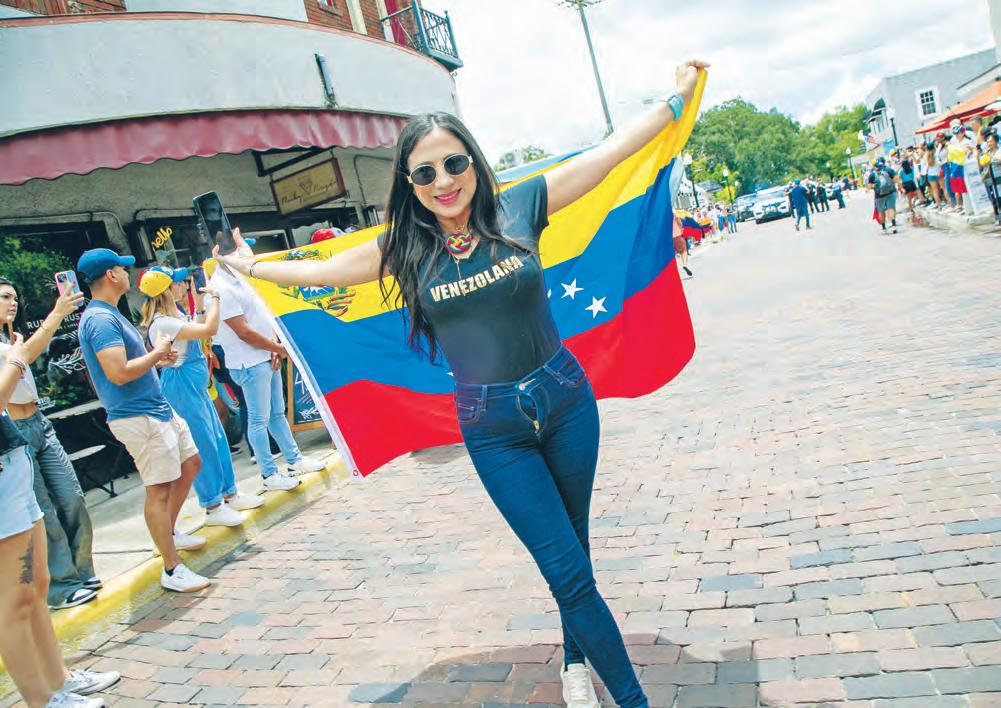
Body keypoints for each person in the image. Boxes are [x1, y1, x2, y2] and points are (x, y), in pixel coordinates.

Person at [215, 56, 710, 708]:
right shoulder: (403, 248)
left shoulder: (520, 206)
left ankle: (574, 660)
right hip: (495, 429)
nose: (443, 181)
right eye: (424, 172)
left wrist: (675, 101)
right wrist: (251, 267)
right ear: (410, 183)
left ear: (473, 161)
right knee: (565, 569)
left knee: (574, 555)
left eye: (453, 164)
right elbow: (319, 273)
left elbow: (610, 153)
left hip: (566, 402)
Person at [75, 249, 211, 594]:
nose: (127, 273)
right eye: (122, 268)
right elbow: (117, 373)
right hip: (138, 414)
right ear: (110, 275)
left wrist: (154, 360)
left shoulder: (109, 314)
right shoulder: (100, 320)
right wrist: (157, 353)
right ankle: (171, 567)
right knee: (159, 489)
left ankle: (169, 533)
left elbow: (125, 368)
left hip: (154, 407)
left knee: (191, 463)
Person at [1, 331, 122, 708]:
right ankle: (41, 699)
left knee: (37, 586)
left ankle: (59, 679)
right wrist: (16, 361)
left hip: (15, 468)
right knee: (14, 600)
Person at [0, 280, 101, 611]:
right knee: (45, 513)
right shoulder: (13, 346)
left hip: (40, 423)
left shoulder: (11, 338)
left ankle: (82, 571)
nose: (12, 302)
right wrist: (57, 314)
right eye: (4, 297)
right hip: (15, 432)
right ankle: (61, 585)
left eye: (15, 297)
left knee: (73, 497)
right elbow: (27, 356)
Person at [137, 266, 264, 527]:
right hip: (181, 386)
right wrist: (214, 297)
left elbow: (201, 325)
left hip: (193, 385)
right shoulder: (163, 322)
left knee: (217, 438)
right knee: (202, 444)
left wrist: (201, 303)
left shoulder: (174, 316)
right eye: (177, 283)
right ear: (166, 290)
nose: (184, 286)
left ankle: (229, 493)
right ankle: (212, 504)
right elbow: (209, 329)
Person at [211, 257, 326, 492]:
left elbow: (262, 315)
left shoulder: (241, 279)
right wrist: (277, 348)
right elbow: (243, 331)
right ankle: (269, 473)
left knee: (276, 413)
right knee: (258, 420)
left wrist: (274, 346)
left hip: (265, 356)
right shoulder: (221, 288)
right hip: (249, 362)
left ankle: (294, 460)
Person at [867, 157, 899, 234]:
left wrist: (875, 186)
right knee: (891, 208)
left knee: (880, 211)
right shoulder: (888, 170)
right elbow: (896, 180)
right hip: (890, 192)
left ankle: (884, 228)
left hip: (879, 195)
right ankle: (894, 225)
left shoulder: (872, 175)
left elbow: (869, 187)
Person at [947, 119, 972, 213]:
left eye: (958, 133)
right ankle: (964, 207)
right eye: (955, 133)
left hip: (967, 166)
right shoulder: (953, 141)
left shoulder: (967, 141)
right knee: (960, 187)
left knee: (967, 187)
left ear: (962, 133)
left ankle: (969, 207)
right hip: (957, 167)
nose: (956, 135)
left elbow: (966, 153)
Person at [672, 212, 693, 277]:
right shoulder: (672, 211)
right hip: (676, 234)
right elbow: (678, 220)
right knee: (684, 250)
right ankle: (684, 265)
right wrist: (681, 228)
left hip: (666, 238)